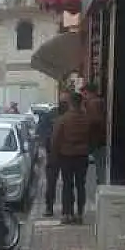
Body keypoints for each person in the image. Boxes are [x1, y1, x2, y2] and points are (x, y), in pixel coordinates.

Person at [50, 92, 92, 224]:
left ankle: (67, 213)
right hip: (82, 156)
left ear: (70, 103)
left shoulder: (63, 119)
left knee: (67, 185)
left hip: (66, 156)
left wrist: (54, 155)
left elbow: (55, 139)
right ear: (81, 103)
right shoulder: (87, 119)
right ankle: (80, 213)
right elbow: (92, 136)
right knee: (81, 185)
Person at [35, 97, 68, 217]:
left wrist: (46, 144)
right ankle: (65, 210)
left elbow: (41, 132)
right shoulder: (67, 116)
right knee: (66, 183)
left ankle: (50, 208)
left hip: (55, 153)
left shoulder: (52, 115)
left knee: (52, 182)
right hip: (64, 154)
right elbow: (41, 132)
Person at [83, 83, 107, 187]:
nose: (84, 95)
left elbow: (95, 120)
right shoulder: (99, 102)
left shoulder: (94, 103)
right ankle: (101, 184)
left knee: (100, 165)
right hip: (99, 140)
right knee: (100, 165)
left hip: (97, 141)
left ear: (89, 92)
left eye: (85, 93)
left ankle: (101, 186)